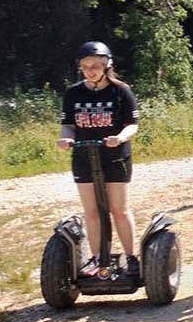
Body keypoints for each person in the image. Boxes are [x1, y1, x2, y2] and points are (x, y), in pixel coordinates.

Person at [56, 41, 141, 278]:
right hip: (83, 156)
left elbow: (132, 125)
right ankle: (95, 259)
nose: (90, 70)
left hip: (115, 157)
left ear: (107, 65)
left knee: (119, 210)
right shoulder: (73, 93)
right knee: (91, 211)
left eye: (95, 65)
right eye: (85, 66)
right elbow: (68, 126)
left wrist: (120, 137)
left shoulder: (121, 90)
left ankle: (131, 257)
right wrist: (65, 140)